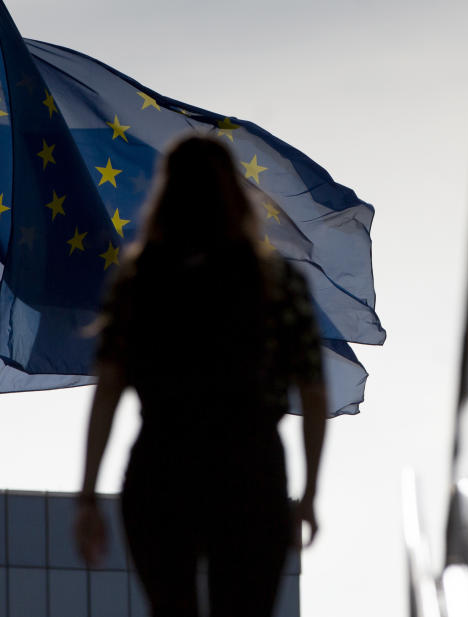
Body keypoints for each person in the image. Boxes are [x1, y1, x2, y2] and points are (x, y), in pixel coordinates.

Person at [72, 135, 329, 617]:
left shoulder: (138, 280)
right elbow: (313, 394)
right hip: (250, 470)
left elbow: (107, 392)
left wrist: (87, 498)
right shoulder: (275, 281)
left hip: (163, 468)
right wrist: (309, 494)